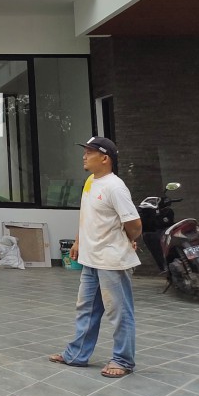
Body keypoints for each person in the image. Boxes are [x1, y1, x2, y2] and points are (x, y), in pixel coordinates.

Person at [49, 136, 142, 378]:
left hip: (111, 260)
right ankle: (76, 355)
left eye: (90, 152)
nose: (84, 156)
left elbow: (134, 224)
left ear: (105, 158)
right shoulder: (91, 181)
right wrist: (79, 241)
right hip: (91, 259)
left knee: (119, 312)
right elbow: (88, 215)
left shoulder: (115, 187)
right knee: (86, 309)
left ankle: (123, 360)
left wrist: (128, 239)